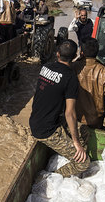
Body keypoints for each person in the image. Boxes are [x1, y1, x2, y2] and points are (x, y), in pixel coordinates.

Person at [28, 40, 89, 178]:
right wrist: (76, 142)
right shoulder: (70, 78)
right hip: (46, 131)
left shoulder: (45, 67)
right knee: (83, 164)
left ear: (57, 54)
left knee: (84, 130)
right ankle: (49, 177)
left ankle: (76, 154)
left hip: (40, 120)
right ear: (75, 57)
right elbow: (70, 113)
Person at [72, 38, 105, 142]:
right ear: (97, 52)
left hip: (74, 119)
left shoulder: (72, 68)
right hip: (95, 121)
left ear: (81, 52)